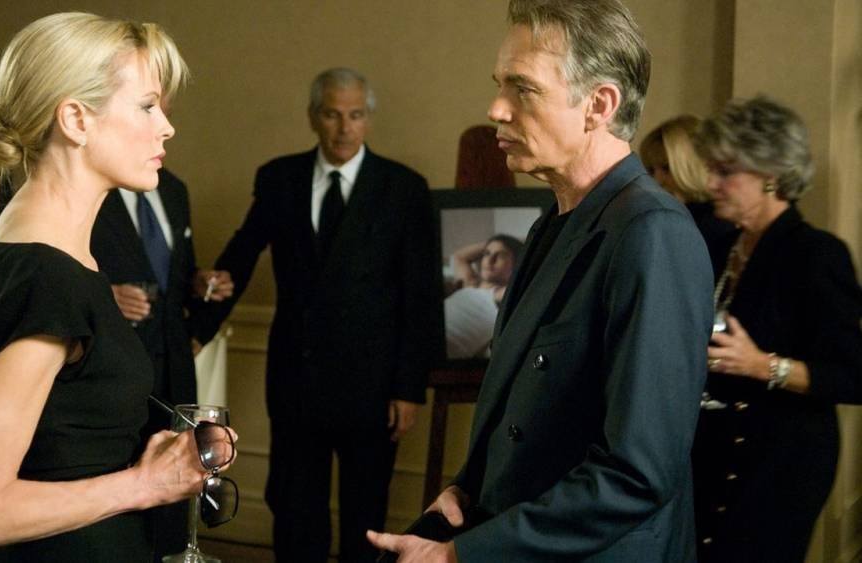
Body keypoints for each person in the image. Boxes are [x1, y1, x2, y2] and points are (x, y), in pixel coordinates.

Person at [369, 0, 714, 561]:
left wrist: (462, 556)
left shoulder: (653, 235)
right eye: (499, 86)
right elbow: (523, 411)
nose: (495, 108)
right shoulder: (549, 225)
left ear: (599, 104)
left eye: (523, 89)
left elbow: (636, 474)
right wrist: (465, 491)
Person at [0, 13, 234, 561]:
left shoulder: (48, 255)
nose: (166, 127)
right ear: (75, 119)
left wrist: (154, 457)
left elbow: (61, 439)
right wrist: (146, 483)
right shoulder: (44, 274)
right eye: (147, 106)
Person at [200, 67, 437, 562]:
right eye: (332, 115)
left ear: (368, 118)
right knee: (294, 512)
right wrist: (198, 323)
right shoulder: (279, 178)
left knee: (364, 515)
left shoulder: (404, 189)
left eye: (355, 115)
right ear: (313, 117)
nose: (344, 128)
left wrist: (409, 388)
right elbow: (240, 257)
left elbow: (421, 296)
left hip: (373, 386)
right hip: (296, 378)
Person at [691, 96, 862, 562]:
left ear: (770, 174)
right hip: (711, 454)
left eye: (726, 171)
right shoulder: (719, 243)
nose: (710, 184)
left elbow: (852, 375)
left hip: (778, 464)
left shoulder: (816, 254)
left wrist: (763, 366)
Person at [90, 166, 233, 561]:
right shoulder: (93, 182)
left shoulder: (173, 188)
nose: (164, 134)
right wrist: (105, 294)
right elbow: (58, 265)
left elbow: (178, 273)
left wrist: (200, 282)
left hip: (175, 363)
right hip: (115, 363)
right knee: (122, 476)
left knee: (178, 474)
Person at [640, 115, 734, 248]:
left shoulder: (716, 224)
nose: (656, 180)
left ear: (694, 166)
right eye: (650, 170)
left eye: (667, 168)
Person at [445, 234, 523, 358]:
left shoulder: (505, 295)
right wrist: (496, 241)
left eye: (500, 255)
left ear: (516, 264)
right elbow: (459, 257)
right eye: (487, 253)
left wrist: (521, 246)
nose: (490, 260)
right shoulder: (469, 284)